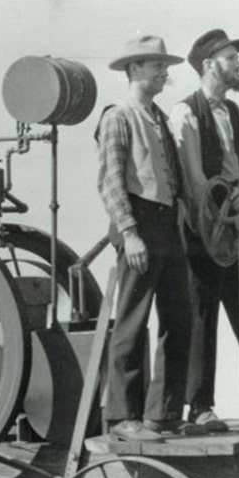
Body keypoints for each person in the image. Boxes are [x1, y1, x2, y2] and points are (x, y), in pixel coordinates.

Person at [96, 35, 205, 442]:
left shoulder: (158, 116)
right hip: (138, 224)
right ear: (134, 69)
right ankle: (124, 417)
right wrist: (129, 233)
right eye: (155, 65)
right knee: (132, 320)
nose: (164, 72)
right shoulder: (118, 117)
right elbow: (110, 182)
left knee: (179, 319)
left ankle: (164, 414)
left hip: (168, 224)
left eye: (164, 65)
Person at [169, 29, 239, 431]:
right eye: (232, 58)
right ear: (210, 65)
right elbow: (193, 180)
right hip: (200, 231)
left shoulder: (235, 115)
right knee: (200, 313)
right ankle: (199, 407)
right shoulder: (185, 114)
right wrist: (214, 212)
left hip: (236, 227)